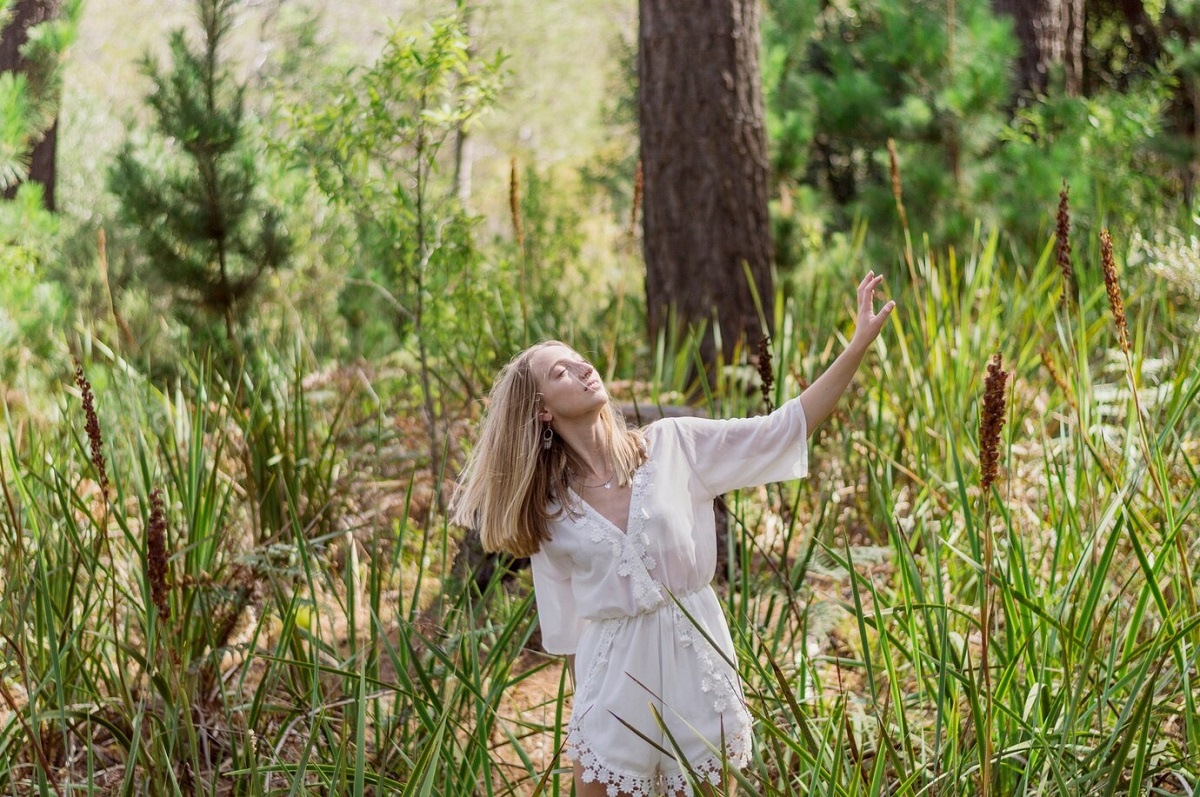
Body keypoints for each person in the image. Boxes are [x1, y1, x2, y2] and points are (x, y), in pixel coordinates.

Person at [452, 273, 895, 796]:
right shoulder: (549, 511)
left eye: (579, 359)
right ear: (542, 410)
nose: (583, 368)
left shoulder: (674, 445)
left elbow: (784, 428)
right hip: (612, 680)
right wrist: (589, 717)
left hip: (695, 665)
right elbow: (567, 631)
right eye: (560, 371)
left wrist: (857, 346)